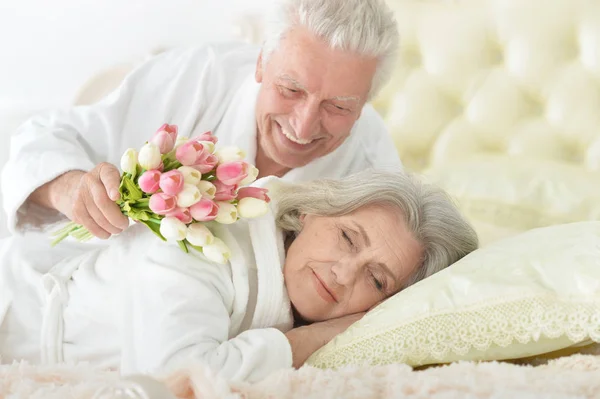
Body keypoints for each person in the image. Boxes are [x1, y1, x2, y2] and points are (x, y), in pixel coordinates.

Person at [0, 170, 479, 383]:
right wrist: (308, 341)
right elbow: (174, 378)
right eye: (348, 239)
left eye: (377, 280)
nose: (343, 271)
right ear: (311, 212)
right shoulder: (200, 238)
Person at [1, 0, 402, 240]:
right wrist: (69, 188)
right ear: (262, 62)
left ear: (367, 102)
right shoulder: (198, 75)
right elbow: (39, 139)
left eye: (338, 107)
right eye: (291, 90)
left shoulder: (373, 168)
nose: (302, 126)